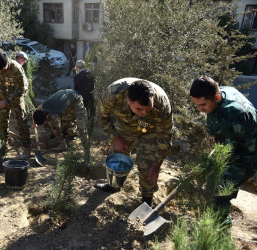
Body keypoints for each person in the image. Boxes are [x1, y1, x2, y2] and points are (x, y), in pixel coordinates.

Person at [95, 78, 173, 206]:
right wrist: (115, 137)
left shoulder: (162, 104)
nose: (143, 113)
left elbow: (165, 137)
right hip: (125, 125)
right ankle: (114, 185)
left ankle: (147, 199)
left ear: (153, 98)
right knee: (119, 156)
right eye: (139, 109)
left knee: (148, 164)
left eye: (148, 109)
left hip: (150, 130)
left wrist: (157, 164)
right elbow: (101, 116)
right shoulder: (113, 94)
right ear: (128, 101)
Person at [190, 76, 257, 223]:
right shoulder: (223, 93)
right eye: (196, 105)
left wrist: (204, 167)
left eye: (202, 105)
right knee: (213, 186)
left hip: (247, 157)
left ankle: (220, 231)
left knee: (218, 192)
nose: (199, 109)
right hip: (236, 146)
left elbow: (225, 153)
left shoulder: (231, 115)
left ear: (216, 97)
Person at [0, 52, 31, 160]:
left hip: (16, 98)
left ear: (8, 62)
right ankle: (3, 146)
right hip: (1, 96)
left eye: (3, 69)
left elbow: (23, 90)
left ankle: (27, 147)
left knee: (21, 123)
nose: (1, 71)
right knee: (1, 122)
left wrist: (7, 100)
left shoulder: (17, 69)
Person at [74, 60, 95, 135]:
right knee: (91, 114)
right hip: (91, 96)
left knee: (83, 115)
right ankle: (91, 132)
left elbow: (76, 89)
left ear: (78, 67)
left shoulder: (77, 77)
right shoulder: (90, 74)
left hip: (82, 99)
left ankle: (84, 132)